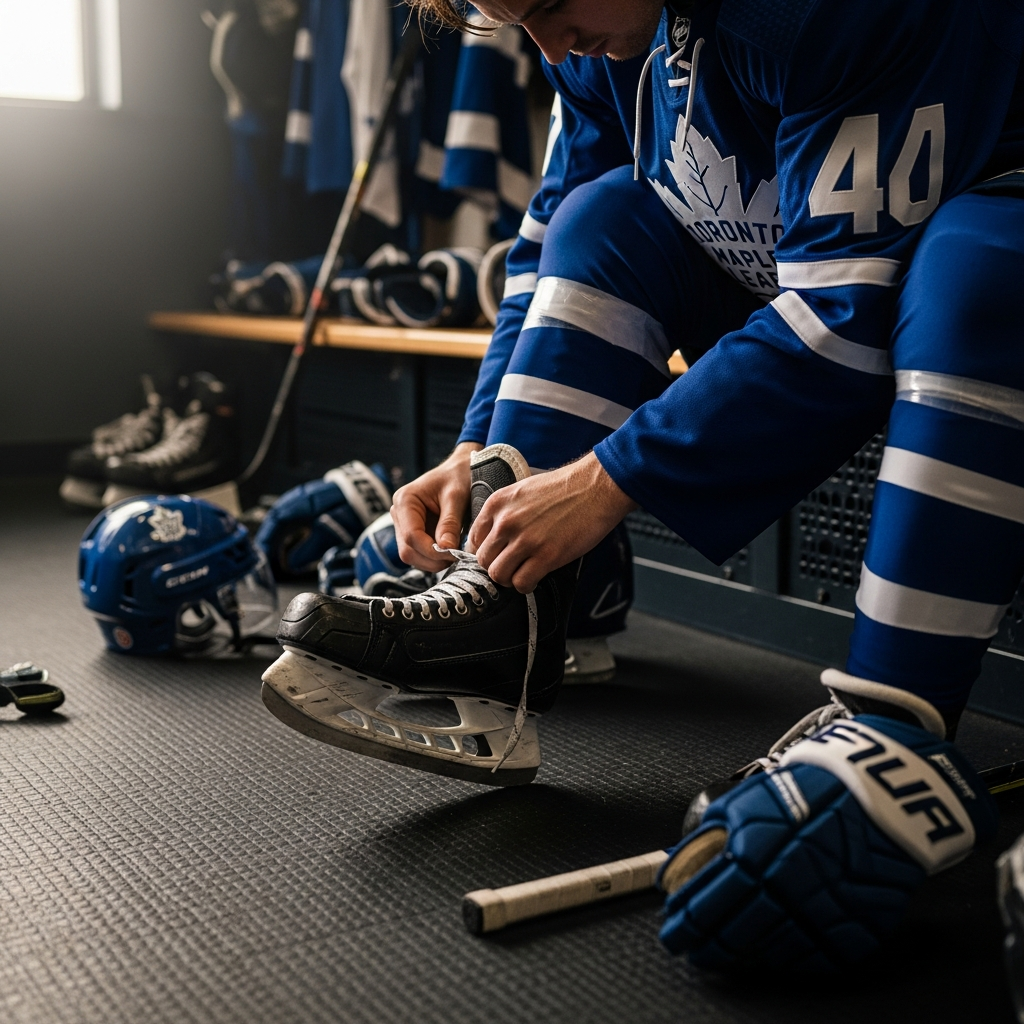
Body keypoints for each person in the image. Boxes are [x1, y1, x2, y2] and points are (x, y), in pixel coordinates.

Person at [262, 0, 1024, 969]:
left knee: (972, 267)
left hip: (981, 236)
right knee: (602, 215)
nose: (546, 48)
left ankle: (893, 723)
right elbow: (545, 246)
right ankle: (510, 614)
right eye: (506, 21)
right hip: (824, 254)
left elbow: (845, 316)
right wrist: (475, 451)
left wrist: (609, 474)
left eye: (546, 6)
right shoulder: (597, 29)